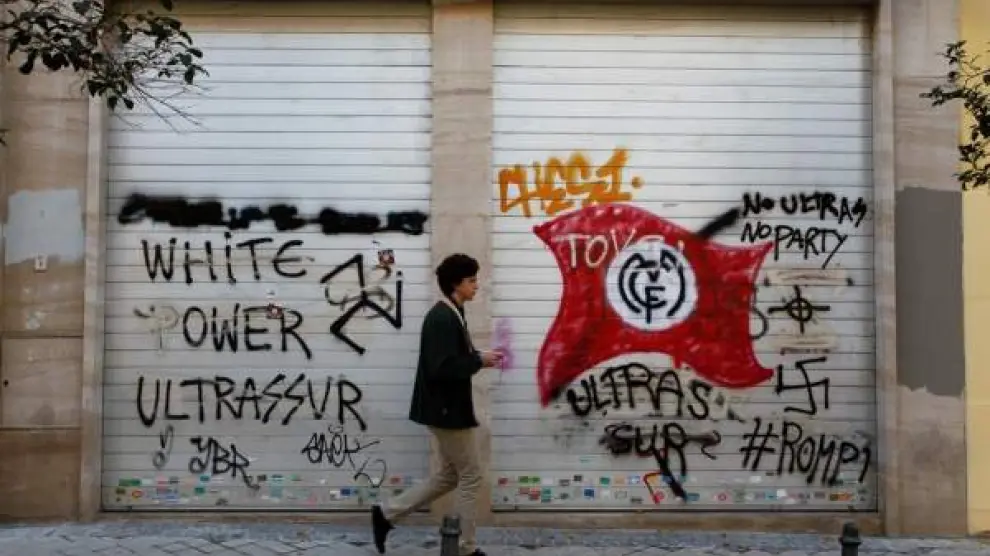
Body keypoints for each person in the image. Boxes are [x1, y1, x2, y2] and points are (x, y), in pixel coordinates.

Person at [371, 253, 503, 556]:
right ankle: (465, 548)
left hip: (447, 409)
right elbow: (440, 368)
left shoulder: (453, 312)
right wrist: (478, 361)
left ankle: (387, 514)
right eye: (471, 280)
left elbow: (451, 357)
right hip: (446, 411)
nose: (477, 285)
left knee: (451, 475)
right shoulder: (442, 318)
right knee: (471, 476)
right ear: (456, 284)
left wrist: (478, 357)